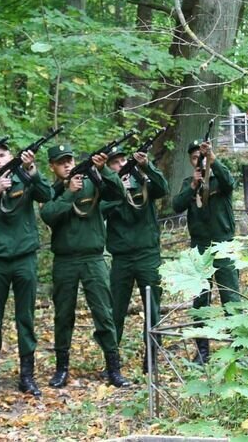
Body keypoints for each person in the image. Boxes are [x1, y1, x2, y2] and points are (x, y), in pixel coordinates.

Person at [40, 144, 127, 388]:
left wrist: (104, 171)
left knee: (104, 313)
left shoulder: (92, 182)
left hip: (93, 258)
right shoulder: (52, 191)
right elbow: (47, 215)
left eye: (69, 160)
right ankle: (61, 369)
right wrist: (68, 193)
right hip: (65, 260)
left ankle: (113, 368)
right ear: (53, 167)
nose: (66, 165)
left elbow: (119, 194)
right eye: (60, 162)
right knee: (63, 315)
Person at [0, 141, 52, 396]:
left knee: (25, 318)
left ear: (11, 156)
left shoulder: (24, 178)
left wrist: (32, 169)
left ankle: (27, 375)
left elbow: (47, 195)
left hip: (24, 258)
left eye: (2, 155)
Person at [101, 146, 168, 372]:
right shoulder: (106, 190)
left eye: (123, 161)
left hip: (147, 255)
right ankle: (112, 362)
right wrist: (118, 191)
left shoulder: (143, 182)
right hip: (121, 258)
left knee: (153, 308)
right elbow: (97, 210)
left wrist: (146, 166)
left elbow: (163, 188)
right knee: (115, 310)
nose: (121, 166)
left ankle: (151, 358)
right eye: (115, 163)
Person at [171, 139, 238, 365]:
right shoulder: (188, 183)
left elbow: (230, 182)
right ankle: (202, 350)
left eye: (201, 155)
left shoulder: (220, 177)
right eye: (194, 157)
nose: (198, 160)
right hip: (199, 247)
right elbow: (176, 206)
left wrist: (212, 160)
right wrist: (192, 188)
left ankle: (238, 346)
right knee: (200, 299)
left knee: (230, 295)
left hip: (223, 243)